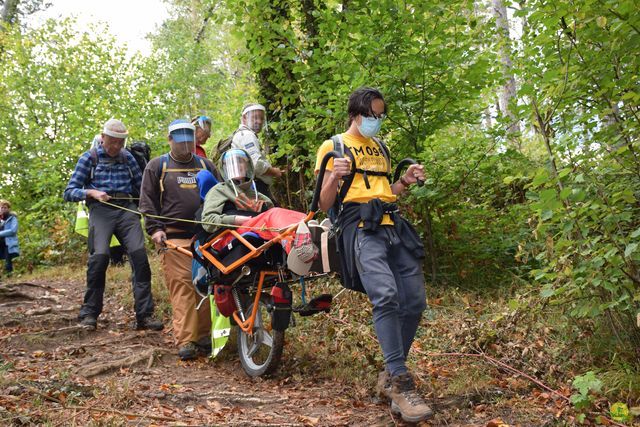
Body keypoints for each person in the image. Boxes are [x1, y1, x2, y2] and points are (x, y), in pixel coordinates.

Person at [314, 87, 431, 422]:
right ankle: (401, 382)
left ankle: (391, 374)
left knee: (414, 301)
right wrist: (334, 176)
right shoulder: (333, 146)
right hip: (359, 228)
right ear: (357, 113)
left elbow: (385, 193)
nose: (376, 122)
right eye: (372, 116)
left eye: (381, 116)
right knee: (386, 294)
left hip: (393, 225)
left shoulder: (381, 147)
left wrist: (404, 182)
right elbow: (323, 204)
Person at [63, 119, 163, 331]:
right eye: (113, 141)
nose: (116, 146)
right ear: (103, 137)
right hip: (101, 210)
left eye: (120, 142)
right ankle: (89, 313)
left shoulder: (128, 158)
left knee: (139, 257)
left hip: (127, 210)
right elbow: (69, 192)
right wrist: (91, 192)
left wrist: (151, 212)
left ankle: (144, 316)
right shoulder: (89, 158)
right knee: (99, 258)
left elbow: (141, 189)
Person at [138, 119, 218, 360]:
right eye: (179, 140)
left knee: (204, 285)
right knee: (182, 286)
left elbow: (221, 193)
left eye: (188, 140)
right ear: (170, 140)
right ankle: (187, 340)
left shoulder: (206, 165)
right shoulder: (157, 166)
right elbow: (148, 201)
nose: (184, 145)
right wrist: (155, 229)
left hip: (205, 238)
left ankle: (204, 336)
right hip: (174, 239)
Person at [200, 149, 317, 276]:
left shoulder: (260, 196)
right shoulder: (218, 191)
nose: (236, 166)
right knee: (273, 214)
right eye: (231, 164)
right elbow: (207, 221)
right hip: (231, 235)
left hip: (261, 232)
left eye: (241, 162)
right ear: (224, 169)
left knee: (283, 215)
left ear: (248, 166)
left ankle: (309, 235)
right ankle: (298, 245)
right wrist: (234, 220)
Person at [230, 103, 284, 204]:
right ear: (244, 118)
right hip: (254, 186)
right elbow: (256, 165)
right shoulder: (247, 135)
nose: (259, 121)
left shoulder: (244, 134)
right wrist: (274, 172)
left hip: (249, 186)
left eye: (261, 118)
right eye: (255, 117)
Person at [0, 199, 20, 276]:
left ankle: (10, 278)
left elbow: (13, 230)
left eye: (5, 207)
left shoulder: (12, 218)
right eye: (2, 207)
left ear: (8, 208)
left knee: (8, 262)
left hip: (8, 243)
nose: (3, 209)